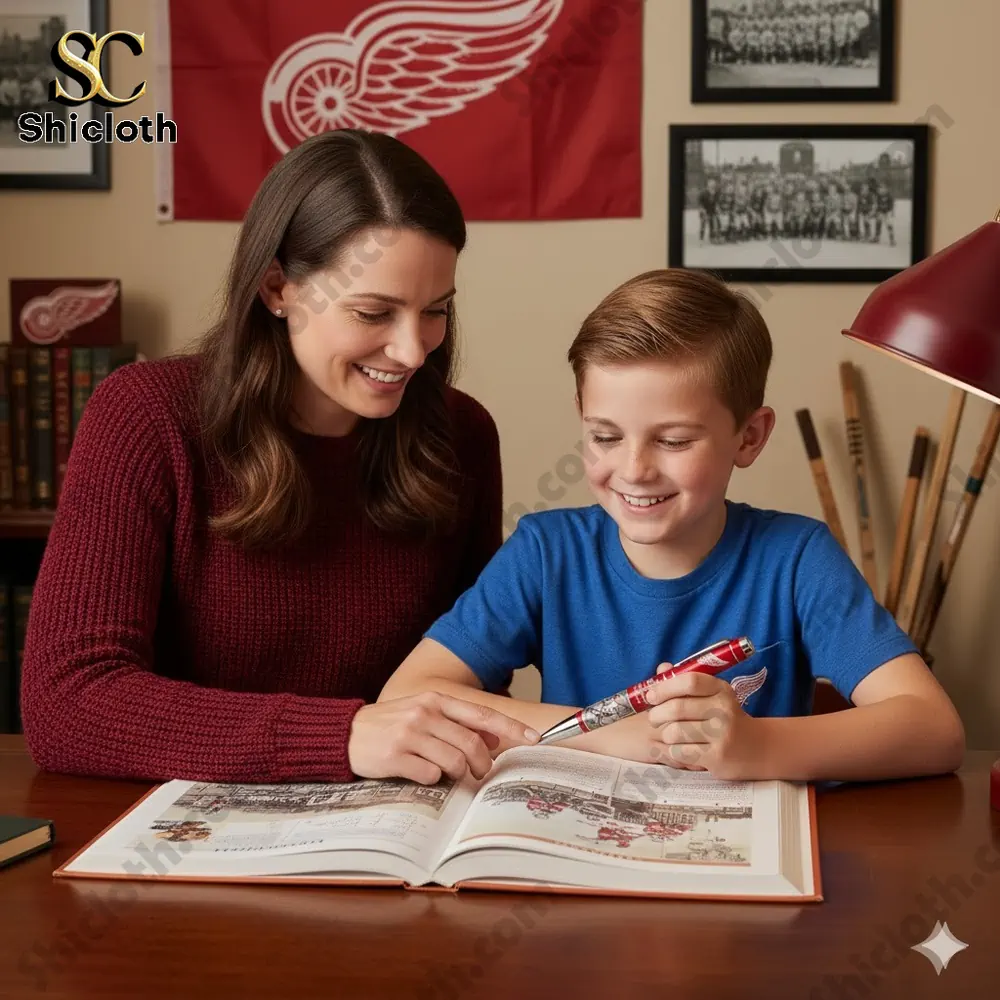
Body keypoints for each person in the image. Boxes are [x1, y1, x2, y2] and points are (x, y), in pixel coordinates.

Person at [20, 128, 539, 786]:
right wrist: (341, 737)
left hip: (404, 833)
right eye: (375, 312)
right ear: (277, 288)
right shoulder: (146, 418)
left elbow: (476, 675)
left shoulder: (462, 434)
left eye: (434, 310)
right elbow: (70, 704)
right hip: (181, 839)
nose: (413, 351)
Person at [379, 268, 965, 783]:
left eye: (674, 440)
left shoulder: (797, 558)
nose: (634, 469)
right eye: (605, 436)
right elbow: (407, 694)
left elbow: (935, 729)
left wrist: (758, 745)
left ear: (750, 436)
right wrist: (619, 737)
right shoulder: (546, 552)